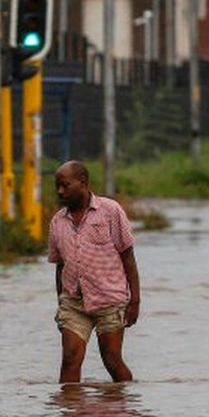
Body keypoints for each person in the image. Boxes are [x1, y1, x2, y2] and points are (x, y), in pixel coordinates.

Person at [47, 161, 140, 383]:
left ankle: (125, 407)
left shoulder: (110, 211)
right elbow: (60, 265)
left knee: (112, 360)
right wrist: (61, 303)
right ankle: (70, 414)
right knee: (69, 360)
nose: (60, 192)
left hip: (109, 300)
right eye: (57, 186)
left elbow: (128, 256)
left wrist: (135, 300)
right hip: (74, 303)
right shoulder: (57, 222)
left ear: (83, 183)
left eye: (65, 186)